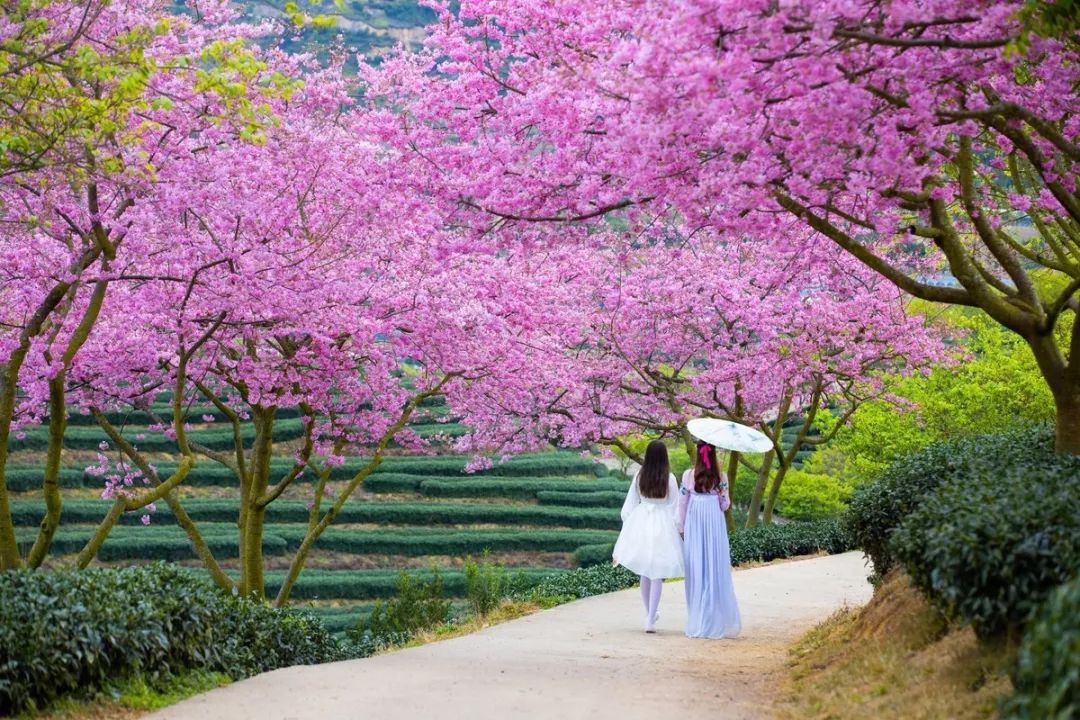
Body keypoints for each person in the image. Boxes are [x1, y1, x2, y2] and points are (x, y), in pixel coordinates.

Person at [612, 439, 684, 633]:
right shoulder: (669, 478)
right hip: (662, 523)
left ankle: (649, 615)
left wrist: (629, 525)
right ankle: (650, 617)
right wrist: (676, 528)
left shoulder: (639, 475)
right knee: (656, 574)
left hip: (642, 522)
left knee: (645, 571)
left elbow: (630, 504)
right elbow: (675, 506)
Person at [678, 441, 741, 639]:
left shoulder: (688, 475)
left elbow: (682, 503)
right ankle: (713, 618)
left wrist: (681, 528)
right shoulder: (721, 477)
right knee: (714, 567)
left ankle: (699, 617)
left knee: (697, 569)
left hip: (695, 523)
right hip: (714, 524)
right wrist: (722, 494)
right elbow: (725, 506)